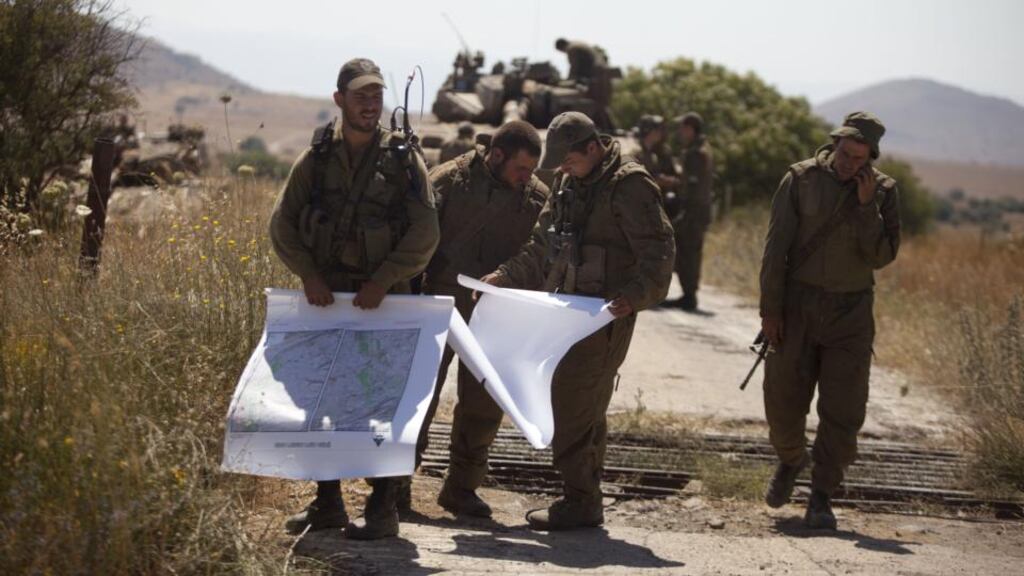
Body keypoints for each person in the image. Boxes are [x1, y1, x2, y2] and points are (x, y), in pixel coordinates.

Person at [268, 57, 439, 540]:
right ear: (339, 99)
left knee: (384, 403)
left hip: (386, 303)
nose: (370, 104)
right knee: (323, 400)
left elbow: (426, 233)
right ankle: (327, 504)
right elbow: (282, 223)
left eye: (377, 95)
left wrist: (384, 279)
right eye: (361, 95)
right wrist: (309, 275)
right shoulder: (316, 159)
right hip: (328, 299)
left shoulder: (404, 160)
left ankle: (383, 508)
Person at [481, 111, 674, 530]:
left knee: (576, 405)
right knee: (575, 404)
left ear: (592, 147)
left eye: (568, 160)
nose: (562, 170)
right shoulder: (569, 184)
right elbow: (541, 242)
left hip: (603, 318)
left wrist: (632, 298)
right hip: (565, 313)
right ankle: (582, 495)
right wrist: (506, 275)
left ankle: (581, 501)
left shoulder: (630, 186)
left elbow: (659, 256)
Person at [758, 111, 900, 530]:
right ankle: (790, 459)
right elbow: (775, 249)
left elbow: (881, 257)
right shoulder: (800, 179)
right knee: (782, 404)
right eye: (845, 152)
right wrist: (771, 309)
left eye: (859, 158)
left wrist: (864, 208)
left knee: (843, 410)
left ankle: (821, 497)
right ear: (835, 142)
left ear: (870, 156)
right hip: (797, 306)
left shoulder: (884, 191)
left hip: (851, 312)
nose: (849, 163)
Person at [409, 121, 549, 517]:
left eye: (533, 170)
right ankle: (396, 485)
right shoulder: (449, 180)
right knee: (418, 395)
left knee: (484, 402)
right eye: (521, 169)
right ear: (497, 155)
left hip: (495, 312)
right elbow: (415, 233)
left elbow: (544, 250)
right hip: (437, 303)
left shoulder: (536, 197)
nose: (527, 178)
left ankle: (462, 487)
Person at [669, 112, 714, 311]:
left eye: (683, 128)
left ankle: (689, 296)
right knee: (689, 252)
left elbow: (693, 186)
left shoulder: (695, 153)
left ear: (690, 129)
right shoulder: (700, 148)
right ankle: (688, 294)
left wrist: (685, 212)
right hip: (697, 210)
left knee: (687, 252)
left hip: (693, 211)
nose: (680, 132)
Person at [633, 114, 681, 196]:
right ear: (649, 131)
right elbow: (640, 179)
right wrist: (664, 180)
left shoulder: (651, 154)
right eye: (656, 129)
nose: (660, 133)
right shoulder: (637, 153)